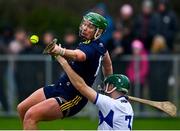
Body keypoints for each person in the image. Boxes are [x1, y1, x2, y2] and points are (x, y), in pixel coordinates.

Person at [17, 12, 113, 130]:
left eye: (90, 26)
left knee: (30, 116)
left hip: (73, 96)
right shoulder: (98, 46)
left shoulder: (93, 47)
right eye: (85, 24)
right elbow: (107, 64)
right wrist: (109, 84)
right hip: (61, 86)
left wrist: (61, 51)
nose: (84, 28)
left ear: (98, 32)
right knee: (22, 108)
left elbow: (80, 56)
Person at [55, 54, 133, 130]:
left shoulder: (109, 103)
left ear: (112, 87)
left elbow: (81, 86)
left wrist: (64, 63)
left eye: (108, 84)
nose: (105, 86)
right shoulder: (128, 106)